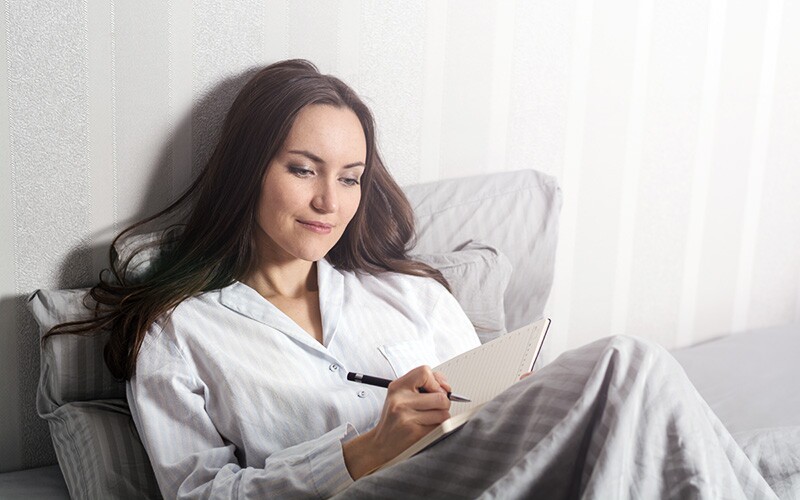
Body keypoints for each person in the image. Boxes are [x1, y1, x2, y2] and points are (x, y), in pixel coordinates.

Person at [48, 59, 777, 499]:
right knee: (627, 362)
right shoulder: (181, 330)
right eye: (303, 170)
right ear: (249, 169)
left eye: (351, 177)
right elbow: (200, 493)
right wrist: (364, 449)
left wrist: (519, 398)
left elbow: (495, 413)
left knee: (628, 405)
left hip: (492, 477)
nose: (329, 202)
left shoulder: (408, 295)